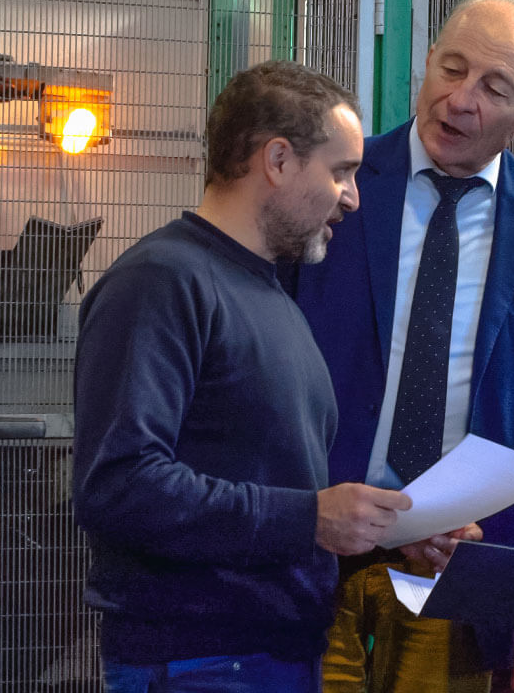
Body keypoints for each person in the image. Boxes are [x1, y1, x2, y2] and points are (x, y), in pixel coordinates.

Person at [72, 60, 420, 692]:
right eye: (340, 171)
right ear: (278, 160)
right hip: (200, 660)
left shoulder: (270, 294)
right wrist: (309, 518)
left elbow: (273, 485)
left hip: (270, 656)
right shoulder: (161, 281)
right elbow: (119, 486)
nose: (352, 196)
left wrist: (389, 536)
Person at [287, 0, 514, 693]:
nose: (460, 100)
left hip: (461, 570)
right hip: (317, 552)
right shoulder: (338, 182)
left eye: (494, 88)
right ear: (426, 63)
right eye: (451, 69)